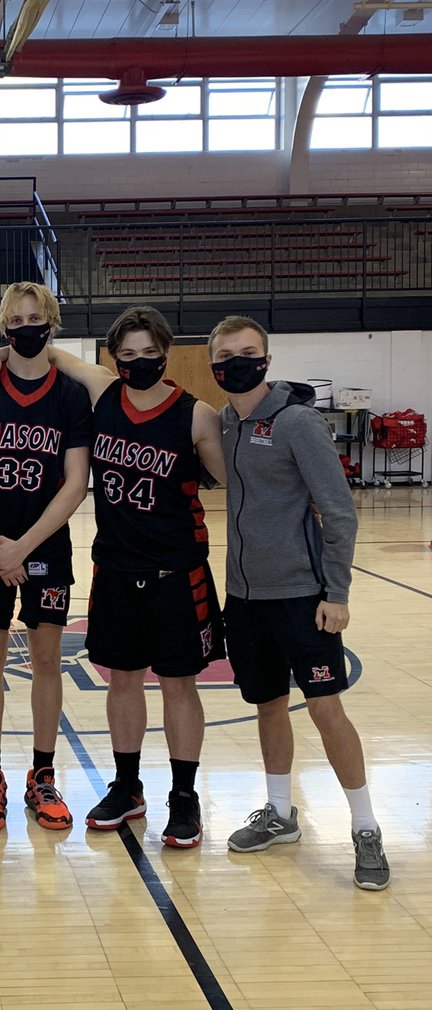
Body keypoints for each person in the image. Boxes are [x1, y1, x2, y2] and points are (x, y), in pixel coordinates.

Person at [0, 304, 227, 846]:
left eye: (150, 353)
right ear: (114, 359)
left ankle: (183, 795)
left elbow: (244, 481)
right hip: (115, 566)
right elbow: (49, 353)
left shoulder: (197, 415)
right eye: (129, 354)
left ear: (167, 354)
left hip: (177, 568)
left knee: (180, 685)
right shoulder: (103, 392)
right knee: (123, 681)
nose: (140, 362)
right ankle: (128, 785)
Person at [209, 315, 389, 889]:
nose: (237, 361)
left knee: (325, 708)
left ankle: (365, 826)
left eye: (248, 352)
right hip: (243, 598)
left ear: (266, 359)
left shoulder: (298, 422)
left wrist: (336, 594)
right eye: (226, 353)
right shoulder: (225, 424)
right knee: (266, 704)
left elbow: (338, 512)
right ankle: (281, 813)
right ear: (213, 364)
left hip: (302, 597)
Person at [0, 282, 91, 832]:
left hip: (44, 543)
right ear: (3, 326)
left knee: (46, 662)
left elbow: (76, 482)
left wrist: (22, 549)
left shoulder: (71, 394)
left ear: (51, 324)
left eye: (36, 317)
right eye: (16, 318)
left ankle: (43, 774)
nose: (26, 326)